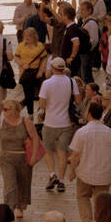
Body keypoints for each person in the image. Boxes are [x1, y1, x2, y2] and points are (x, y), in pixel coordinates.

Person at [0, 98, 42, 219]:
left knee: (23, 183)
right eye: (3, 109)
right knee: (10, 184)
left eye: (6, 109)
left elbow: (35, 138)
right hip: (6, 157)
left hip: (23, 158)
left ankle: (20, 207)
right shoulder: (1, 122)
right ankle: (9, 209)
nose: (4, 111)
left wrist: (34, 155)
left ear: (15, 110)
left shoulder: (26, 122)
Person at [38, 58, 79, 193]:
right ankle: (61, 180)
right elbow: (78, 100)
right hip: (66, 123)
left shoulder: (47, 83)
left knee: (48, 150)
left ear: (52, 67)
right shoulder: (72, 82)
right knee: (62, 153)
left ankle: (52, 174)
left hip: (50, 122)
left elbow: (42, 105)